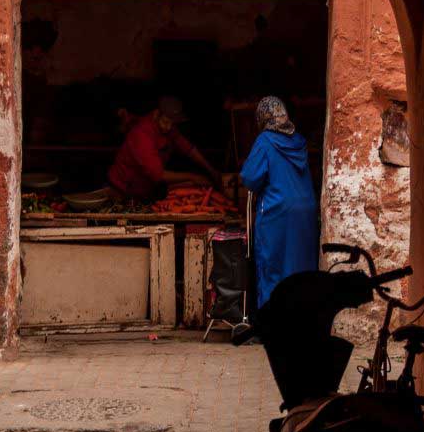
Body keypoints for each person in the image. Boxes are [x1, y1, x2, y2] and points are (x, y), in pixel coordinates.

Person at [241, 96, 319, 307]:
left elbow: (250, 177)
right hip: (306, 211)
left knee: (273, 266)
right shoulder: (299, 141)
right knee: (300, 266)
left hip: (277, 212)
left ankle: (273, 319)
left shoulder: (265, 140)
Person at [107, 96, 222, 200]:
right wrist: (193, 177)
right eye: (166, 122)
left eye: (173, 124)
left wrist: (211, 170)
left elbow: (188, 149)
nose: (169, 127)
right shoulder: (142, 134)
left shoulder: (169, 126)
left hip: (144, 190)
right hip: (122, 190)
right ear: (157, 114)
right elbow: (159, 175)